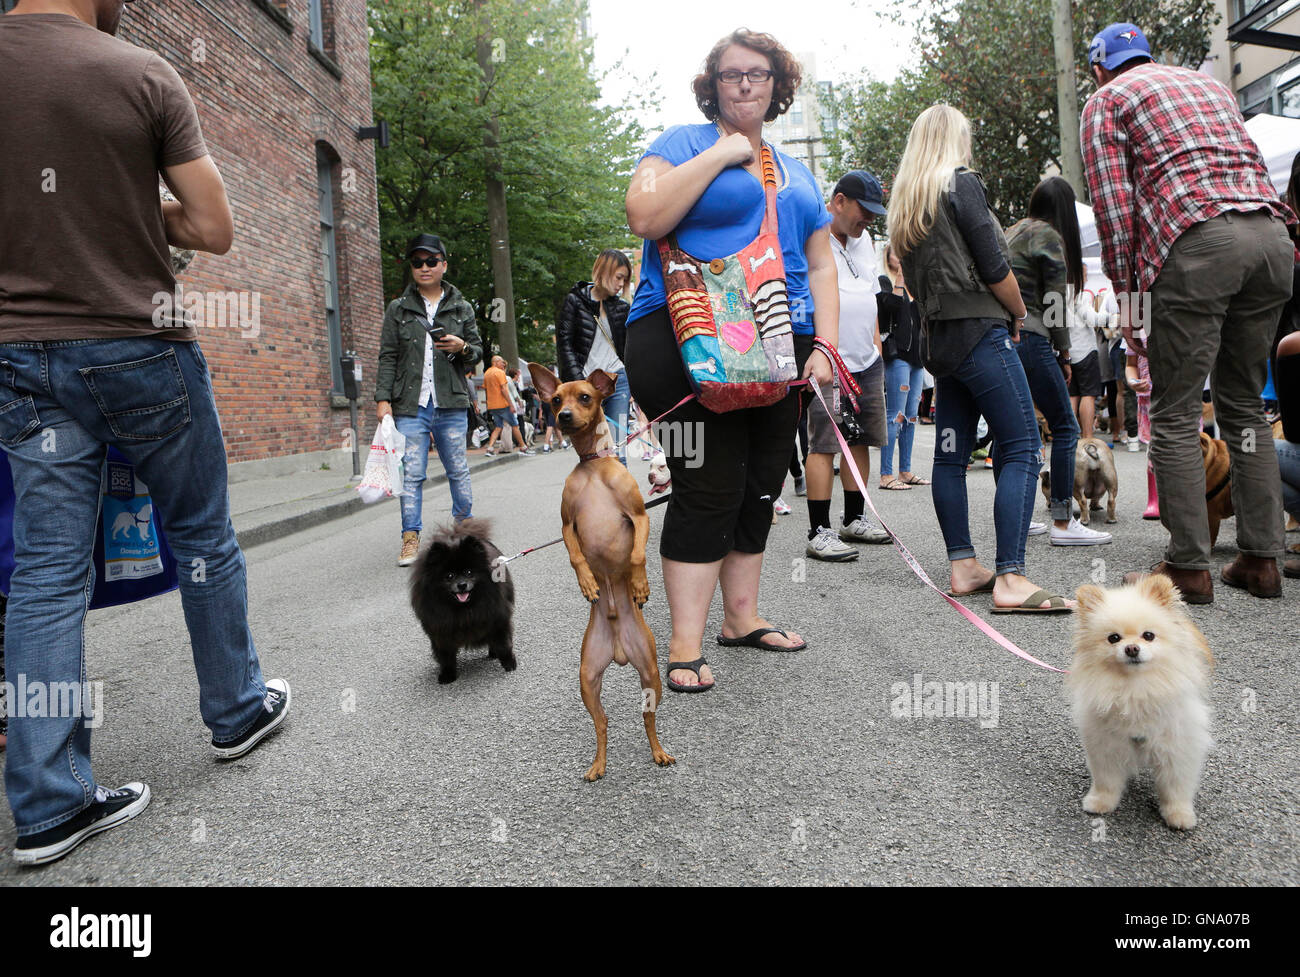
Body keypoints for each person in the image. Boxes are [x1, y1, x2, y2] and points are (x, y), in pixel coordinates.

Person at [0, 0, 290, 865]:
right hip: (139, 345)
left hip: (16, 357)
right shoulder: (140, 74)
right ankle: (237, 711)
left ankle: (49, 804)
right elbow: (214, 228)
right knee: (201, 531)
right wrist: (126, 206)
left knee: (46, 572)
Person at [624, 28, 837, 691]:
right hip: (686, 330)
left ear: (780, 85)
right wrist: (722, 155)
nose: (745, 84)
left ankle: (740, 616)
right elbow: (644, 214)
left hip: (780, 334)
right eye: (731, 75)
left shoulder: (797, 169)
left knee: (761, 483)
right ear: (711, 86)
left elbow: (823, 263)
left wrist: (825, 345)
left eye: (760, 74)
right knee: (707, 479)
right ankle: (683, 640)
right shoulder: (680, 145)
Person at [1082, 22, 1294, 601]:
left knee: (1175, 413)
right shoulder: (1212, 85)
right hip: (1271, 238)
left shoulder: (1107, 100)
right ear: (1148, 56)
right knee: (1246, 407)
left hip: (1197, 240)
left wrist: (1129, 301)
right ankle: (1261, 558)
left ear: (1100, 69)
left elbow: (1114, 205)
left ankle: (1188, 567)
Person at [887, 104, 1072, 612]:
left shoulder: (908, 203)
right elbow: (994, 264)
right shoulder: (960, 183)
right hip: (981, 329)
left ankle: (963, 565)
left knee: (949, 455)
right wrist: (1018, 311)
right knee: (1021, 446)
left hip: (941, 342)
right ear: (954, 140)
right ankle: (1012, 579)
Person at [1005, 176, 1112, 545]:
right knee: (1066, 428)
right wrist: (1065, 353)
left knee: (1014, 433)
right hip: (1033, 338)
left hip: (1002, 339)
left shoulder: (1013, 231)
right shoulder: (1049, 236)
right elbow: (1054, 304)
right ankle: (1064, 522)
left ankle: (1017, 519)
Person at [376, 234, 483, 566]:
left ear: (443, 264)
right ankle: (410, 539)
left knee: (458, 470)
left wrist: (462, 348)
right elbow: (388, 356)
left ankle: (465, 533)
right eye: (417, 262)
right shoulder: (398, 308)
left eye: (431, 261)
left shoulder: (461, 307)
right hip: (410, 404)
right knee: (412, 474)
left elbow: (477, 353)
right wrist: (383, 400)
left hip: (450, 402)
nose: (424, 267)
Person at [804, 170, 892, 561]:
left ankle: (854, 518)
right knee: (824, 443)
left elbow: (871, 294)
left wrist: (875, 344)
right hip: (830, 357)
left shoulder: (865, 239)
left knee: (862, 438)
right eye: (864, 210)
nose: (869, 220)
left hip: (867, 358)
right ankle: (818, 530)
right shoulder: (815, 234)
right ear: (838, 201)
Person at [557, 250, 633, 463]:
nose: (621, 284)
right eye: (618, 277)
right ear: (604, 270)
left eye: (625, 279)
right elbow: (565, 344)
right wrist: (576, 381)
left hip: (617, 380)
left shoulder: (622, 308)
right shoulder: (574, 300)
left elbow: (629, 349)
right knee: (591, 449)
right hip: (585, 384)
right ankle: (598, 494)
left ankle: (620, 496)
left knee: (617, 445)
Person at [877, 242, 928, 490]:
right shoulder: (884, 281)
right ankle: (886, 475)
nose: (901, 256)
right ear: (888, 257)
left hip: (917, 358)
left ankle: (905, 470)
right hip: (897, 356)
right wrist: (899, 279)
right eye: (896, 252)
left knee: (911, 416)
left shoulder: (915, 285)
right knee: (894, 416)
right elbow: (890, 309)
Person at [482, 355, 533, 457]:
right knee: (515, 425)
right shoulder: (500, 373)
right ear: (496, 362)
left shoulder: (487, 373)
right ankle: (523, 447)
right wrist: (511, 404)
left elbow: (486, 389)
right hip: (503, 404)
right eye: (502, 362)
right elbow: (504, 390)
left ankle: (490, 448)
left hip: (492, 405)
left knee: (498, 427)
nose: (503, 364)